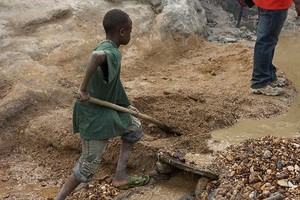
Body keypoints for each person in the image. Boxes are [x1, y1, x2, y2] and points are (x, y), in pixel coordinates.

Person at [55, 9, 150, 200]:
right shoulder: (111, 52)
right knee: (88, 166)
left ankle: (120, 176)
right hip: (94, 117)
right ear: (122, 32)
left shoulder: (109, 46)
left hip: (106, 110)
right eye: (130, 31)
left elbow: (112, 84)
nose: (131, 34)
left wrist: (127, 105)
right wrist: (82, 89)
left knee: (134, 128)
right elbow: (96, 56)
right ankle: (60, 197)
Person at [250, 0, 293, 95]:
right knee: (266, 42)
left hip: (271, 4)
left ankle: (269, 76)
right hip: (273, 4)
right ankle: (260, 81)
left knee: (269, 41)